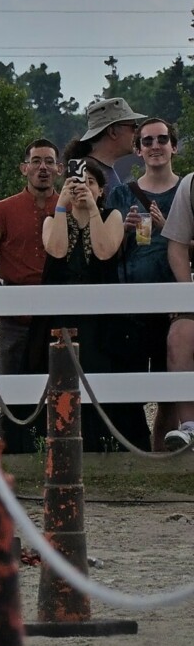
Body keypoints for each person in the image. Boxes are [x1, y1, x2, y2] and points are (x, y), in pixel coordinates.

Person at [0, 140, 60, 453]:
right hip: (16, 317)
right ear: (24, 168)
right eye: (36, 161)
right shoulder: (3, 210)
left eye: (49, 161)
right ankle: (13, 452)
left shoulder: (69, 207)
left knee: (59, 386)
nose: (43, 167)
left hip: (59, 314)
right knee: (14, 387)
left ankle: (56, 450)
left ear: (59, 169)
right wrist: (2, 293)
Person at [39, 158, 130, 452]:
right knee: (61, 379)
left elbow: (104, 252)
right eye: (76, 182)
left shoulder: (112, 216)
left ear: (101, 190)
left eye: (90, 182)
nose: (82, 188)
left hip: (101, 319)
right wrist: (62, 206)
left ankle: (101, 444)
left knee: (100, 376)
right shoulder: (52, 220)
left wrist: (91, 209)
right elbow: (57, 251)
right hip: (61, 316)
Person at [105, 119, 180, 448]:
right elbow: (105, 250)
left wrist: (169, 231)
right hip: (130, 304)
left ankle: (163, 451)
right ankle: (132, 453)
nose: (155, 146)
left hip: (175, 306)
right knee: (128, 386)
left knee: (171, 389)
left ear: (173, 147)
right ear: (137, 151)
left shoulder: (187, 192)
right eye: (147, 141)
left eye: (162, 139)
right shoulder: (122, 193)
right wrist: (123, 230)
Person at [161, 165, 194, 449]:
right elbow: (177, 246)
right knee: (180, 335)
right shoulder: (190, 185)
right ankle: (189, 426)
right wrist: (188, 298)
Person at [72, 95, 146, 193]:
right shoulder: (83, 172)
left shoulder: (99, 169)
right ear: (112, 132)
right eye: (133, 127)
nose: (136, 132)